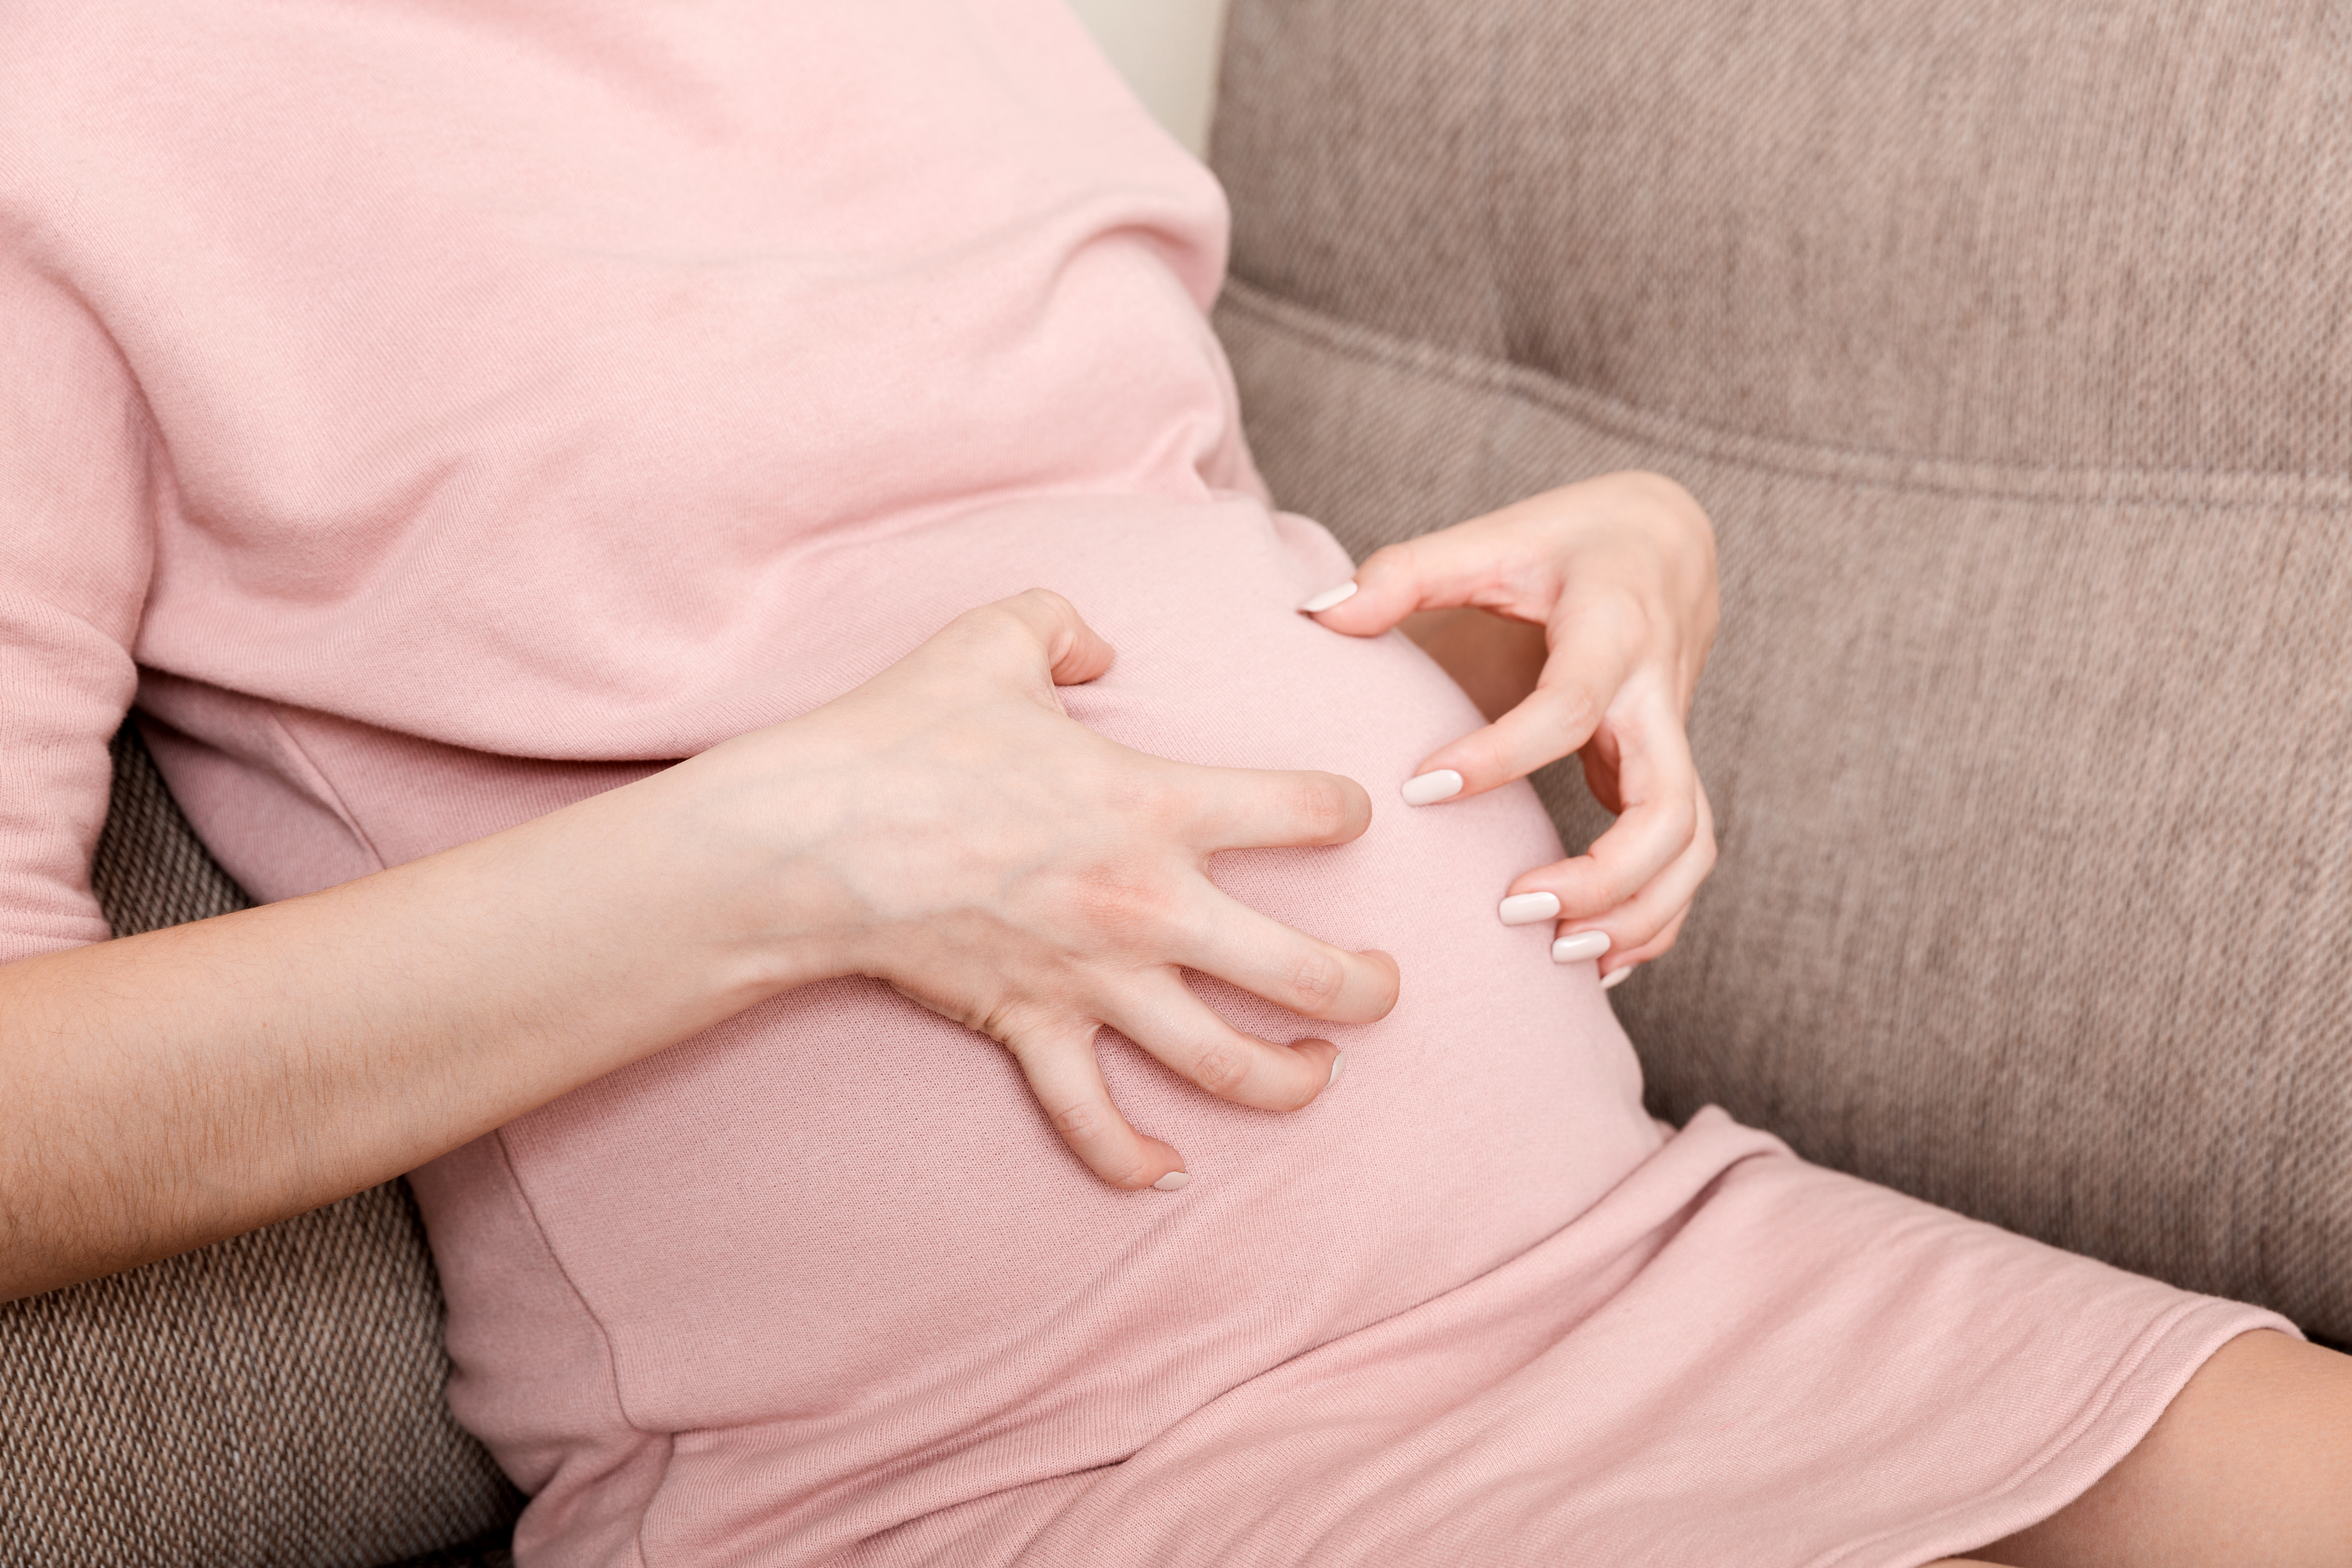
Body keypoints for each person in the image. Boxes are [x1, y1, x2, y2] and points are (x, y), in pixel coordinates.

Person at [0, 3, 2345, 1564]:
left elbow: (1135, 613)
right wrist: (778, 864)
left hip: (1624, 1264)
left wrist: (1606, 577)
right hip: (1021, 1472)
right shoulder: (70, 119)